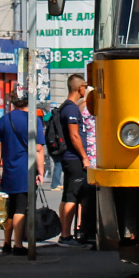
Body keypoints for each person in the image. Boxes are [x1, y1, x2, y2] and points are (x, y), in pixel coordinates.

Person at [0, 92, 45, 255]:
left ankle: (6, 243)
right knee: (21, 209)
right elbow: (39, 148)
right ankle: (18, 245)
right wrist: (41, 171)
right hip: (26, 170)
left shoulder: (4, 119)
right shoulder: (33, 120)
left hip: (9, 170)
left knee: (9, 209)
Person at [57, 75, 92, 248]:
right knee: (73, 195)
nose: (85, 90)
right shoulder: (71, 109)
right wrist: (84, 157)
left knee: (67, 195)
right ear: (79, 88)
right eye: (85, 86)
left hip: (69, 158)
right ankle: (66, 236)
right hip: (74, 158)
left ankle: (65, 234)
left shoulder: (66, 107)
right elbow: (74, 135)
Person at [76, 87, 98, 245]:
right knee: (91, 194)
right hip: (94, 156)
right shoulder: (91, 110)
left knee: (87, 195)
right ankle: (88, 230)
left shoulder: (81, 108)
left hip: (89, 156)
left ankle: (85, 230)